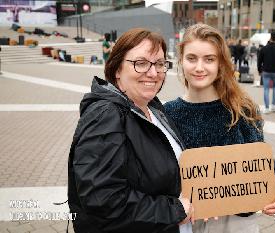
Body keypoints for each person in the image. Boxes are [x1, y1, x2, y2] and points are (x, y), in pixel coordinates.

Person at [164, 24, 275, 233]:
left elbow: (260, 159)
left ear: (220, 63)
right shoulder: (168, 113)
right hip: (187, 221)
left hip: (236, 222)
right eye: (192, 58)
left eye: (209, 59)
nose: (199, 67)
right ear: (181, 61)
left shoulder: (242, 109)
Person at [68, 28, 193, 233]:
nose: (153, 73)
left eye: (160, 64)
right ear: (117, 69)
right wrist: (173, 211)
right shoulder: (106, 116)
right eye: (141, 63)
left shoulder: (152, 108)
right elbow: (102, 200)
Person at [258, 32, 275, 114]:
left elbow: (259, 61)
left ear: (270, 37)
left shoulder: (264, 48)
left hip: (266, 71)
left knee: (266, 89)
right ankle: (273, 105)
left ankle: (266, 108)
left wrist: (259, 70)